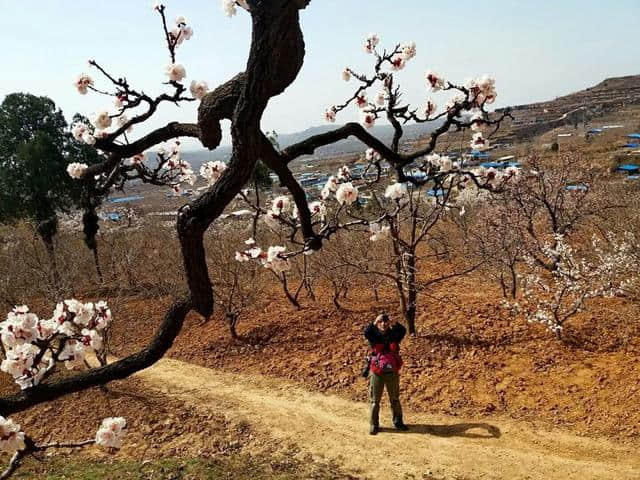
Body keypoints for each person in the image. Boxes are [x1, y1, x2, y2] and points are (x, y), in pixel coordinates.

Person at [364, 313, 408, 435]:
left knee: (395, 399)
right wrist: (374, 321)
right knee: (375, 401)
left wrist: (394, 322)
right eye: (381, 322)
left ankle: (398, 422)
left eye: (385, 321)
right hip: (377, 372)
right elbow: (367, 332)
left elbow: (403, 330)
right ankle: (374, 424)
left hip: (392, 372)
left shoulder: (394, 335)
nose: (383, 324)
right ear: (378, 323)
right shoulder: (373, 335)